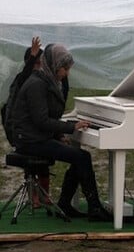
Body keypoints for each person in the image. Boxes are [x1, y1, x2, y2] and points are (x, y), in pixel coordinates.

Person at [11, 43, 112, 221]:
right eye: (65, 69)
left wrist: (59, 134)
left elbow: (44, 117)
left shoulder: (45, 81)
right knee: (82, 157)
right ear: (54, 66)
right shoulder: (37, 85)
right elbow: (41, 120)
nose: (67, 73)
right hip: (30, 141)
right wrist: (71, 127)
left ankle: (67, 203)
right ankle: (94, 208)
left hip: (35, 137)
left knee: (79, 157)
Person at [1, 36, 50, 207]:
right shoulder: (22, 79)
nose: (39, 68)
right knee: (34, 149)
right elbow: (25, 75)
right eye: (36, 64)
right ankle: (33, 195)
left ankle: (44, 194)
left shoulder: (43, 82)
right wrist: (32, 59)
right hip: (19, 131)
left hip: (32, 129)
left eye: (40, 63)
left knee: (44, 149)